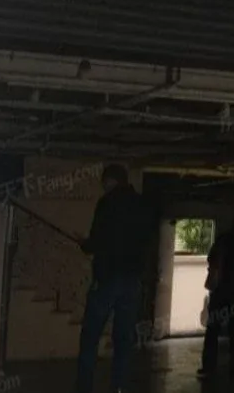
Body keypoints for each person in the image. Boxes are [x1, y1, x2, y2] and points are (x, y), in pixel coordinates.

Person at [76, 164, 157, 393]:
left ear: (110, 181)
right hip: (132, 280)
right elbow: (147, 241)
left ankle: (84, 388)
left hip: (107, 278)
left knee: (90, 337)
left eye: (103, 183)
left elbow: (96, 241)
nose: (103, 187)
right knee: (123, 339)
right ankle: (119, 387)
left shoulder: (107, 203)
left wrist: (84, 244)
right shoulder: (142, 205)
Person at [200, 215, 234, 379]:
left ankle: (209, 366)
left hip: (221, 292)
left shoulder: (224, 241)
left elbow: (211, 258)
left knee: (213, 330)